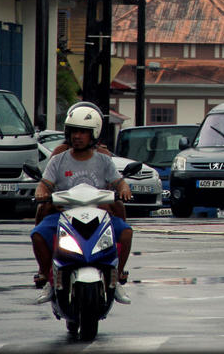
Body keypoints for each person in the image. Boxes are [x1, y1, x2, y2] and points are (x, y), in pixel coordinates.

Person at [31, 105, 133, 305]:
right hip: (64, 214)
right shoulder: (58, 160)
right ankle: (48, 279)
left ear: (93, 133)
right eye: (73, 131)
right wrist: (41, 192)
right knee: (38, 234)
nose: (77, 136)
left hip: (99, 215)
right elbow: (44, 184)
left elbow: (119, 181)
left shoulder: (104, 160)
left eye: (83, 132)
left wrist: (124, 189)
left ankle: (117, 277)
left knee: (126, 232)